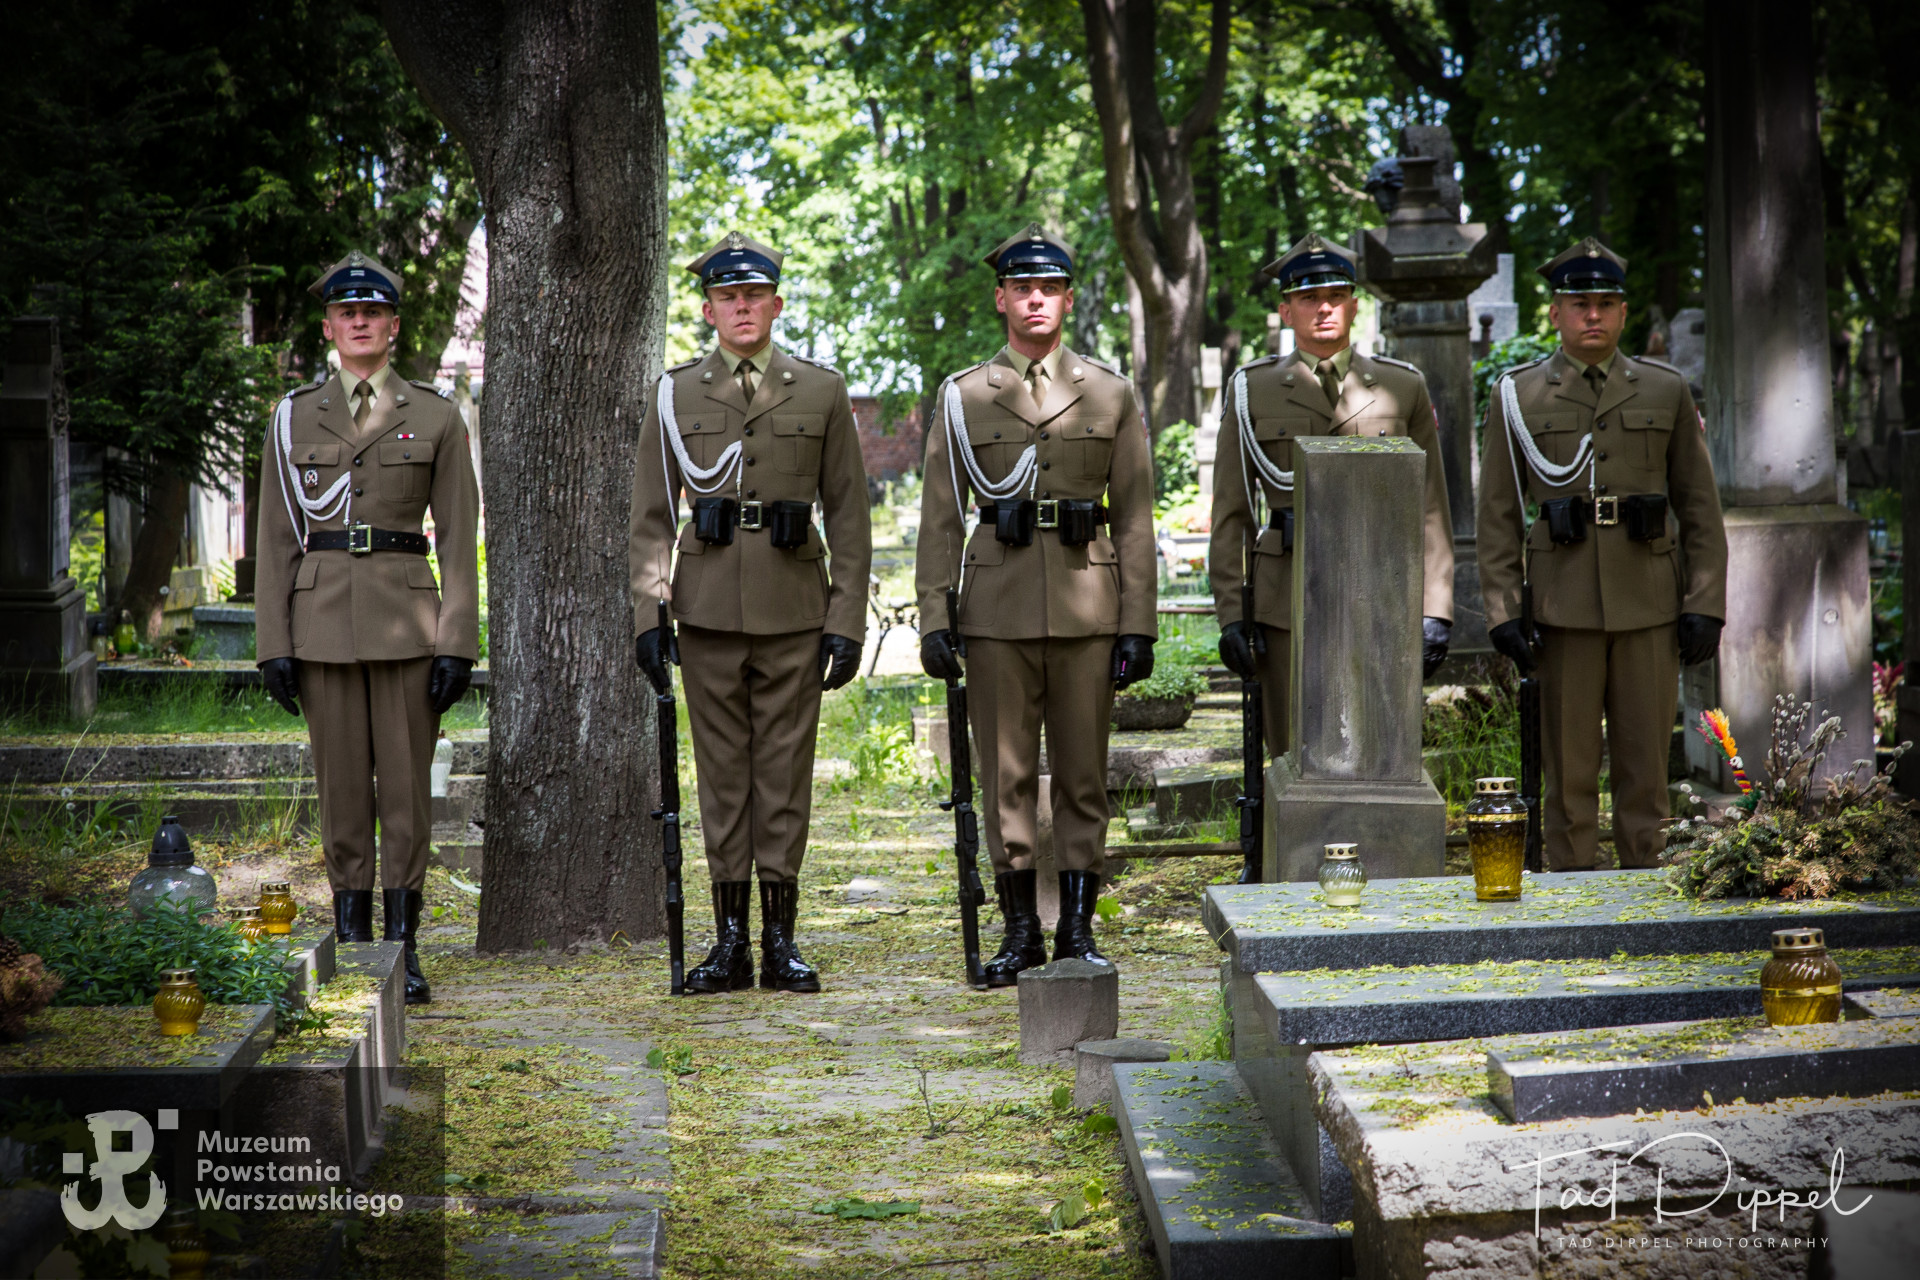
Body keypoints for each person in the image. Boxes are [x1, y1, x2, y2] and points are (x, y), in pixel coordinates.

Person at [628, 232, 871, 994]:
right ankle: (730, 941)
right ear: (708, 310)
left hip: (795, 609)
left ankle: (779, 940)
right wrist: (649, 615)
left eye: (754, 295)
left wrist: (847, 620)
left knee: (784, 775)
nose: (742, 307)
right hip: (705, 613)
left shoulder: (821, 390)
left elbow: (851, 515)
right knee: (723, 778)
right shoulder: (674, 394)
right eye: (728, 297)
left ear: (776, 304)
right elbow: (650, 516)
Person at [915, 223, 1156, 985]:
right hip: (996, 610)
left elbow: (1136, 516)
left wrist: (1138, 624)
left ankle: (1076, 930)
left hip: (1088, 606)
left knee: (1084, 775)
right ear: (1002, 300)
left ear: (1068, 300)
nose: (1036, 299)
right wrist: (935, 616)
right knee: (1006, 776)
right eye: (1022, 288)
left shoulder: (1109, 392)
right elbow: (940, 517)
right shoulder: (964, 395)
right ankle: (1020, 931)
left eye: (1049, 287)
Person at [255, 250, 481, 1003]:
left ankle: (402, 948)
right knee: (343, 792)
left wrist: (456, 642)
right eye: (346, 312)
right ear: (329, 327)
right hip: (320, 626)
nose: (359, 322)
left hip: (408, 627)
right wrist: (273, 644)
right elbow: (276, 538)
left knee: (407, 796)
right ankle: (353, 945)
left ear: (393, 326)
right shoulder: (293, 417)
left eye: (372, 312)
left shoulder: (436, 415)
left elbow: (459, 539)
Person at [1478, 237, 1727, 870]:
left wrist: (1705, 602)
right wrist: (1504, 610)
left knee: (1647, 769)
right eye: (1579, 304)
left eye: (1606, 304)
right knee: (1568, 773)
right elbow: (1498, 514)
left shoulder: (1665, 390)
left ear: (1623, 312)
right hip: (1562, 605)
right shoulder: (1518, 394)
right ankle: (1572, 894)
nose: (1593, 315)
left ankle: (1646, 887)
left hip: (1648, 601)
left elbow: (1699, 505)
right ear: (1555, 313)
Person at [1208, 233, 1455, 755]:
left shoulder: (1402, 386)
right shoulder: (1251, 390)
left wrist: (1435, 609)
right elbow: (1232, 513)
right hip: (1284, 600)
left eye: (1336, 296)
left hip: (1379, 593)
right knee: (1292, 754)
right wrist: (1232, 613)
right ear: (1286, 310)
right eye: (1308, 298)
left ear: (1354, 305)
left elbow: (1430, 508)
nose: (1323, 308)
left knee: (1378, 754)